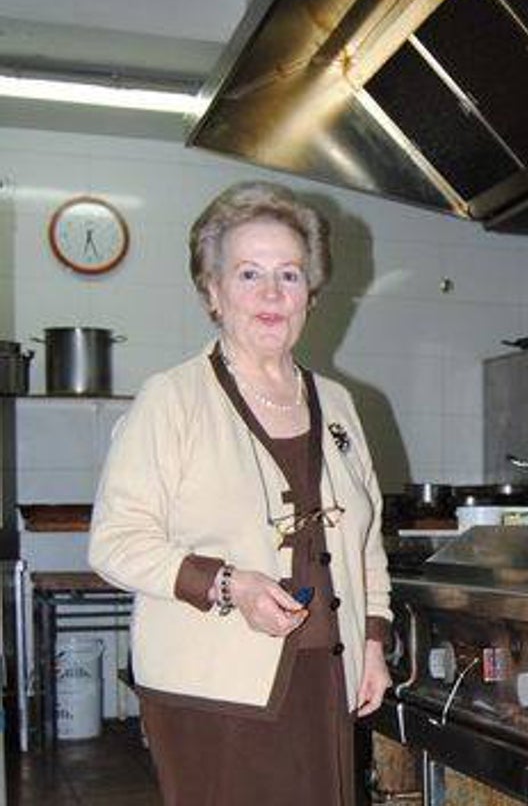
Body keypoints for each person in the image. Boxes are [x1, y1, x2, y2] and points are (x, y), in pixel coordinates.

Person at [89, 181, 393, 805]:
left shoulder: (336, 403)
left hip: (326, 677)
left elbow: (366, 540)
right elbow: (115, 544)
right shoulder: (170, 399)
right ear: (212, 291)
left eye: (289, 273)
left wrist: (371, 643)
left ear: (311, 290)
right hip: (214, 689)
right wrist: (231, 585)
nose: (272, 293)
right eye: (249, 273)